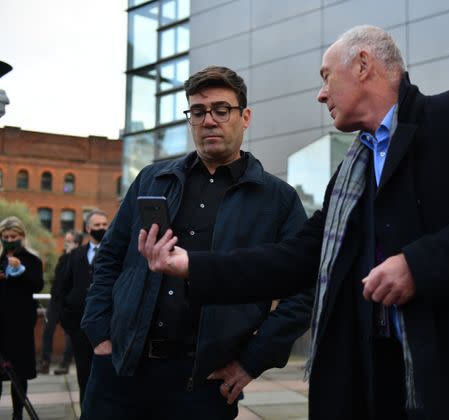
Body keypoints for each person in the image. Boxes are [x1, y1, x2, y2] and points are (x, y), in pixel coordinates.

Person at [140, 25, 449, 420]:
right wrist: (193, 267)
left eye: (328, 76)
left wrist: (418, 265)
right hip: (385, 388)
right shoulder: (350, 175)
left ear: (364, 65)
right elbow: (294, 259)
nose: (321, 93)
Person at [80, 65, 313, 420]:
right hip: (121, 371)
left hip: (203, 383)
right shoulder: (152, 180)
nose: (209, 121)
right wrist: (99, 332)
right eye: (198, 111)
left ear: (245, 116)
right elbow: (110, 257)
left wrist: (252, 361)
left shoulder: (277, 199)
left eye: (221, 110)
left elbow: (305, 289)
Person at [58, 210, 109, 404]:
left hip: (107, 326)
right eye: (97, 225)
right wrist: (66, 319)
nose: (101, 229)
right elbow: (62, 287)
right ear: (88, 229)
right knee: (83, 374)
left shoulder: (115, 251)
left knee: (105, 376)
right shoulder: (75, 255)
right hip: (79, 326)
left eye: (105, 224)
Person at [0, 216, 44, 420]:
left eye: (13, 236)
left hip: (20, 324)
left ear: (21, 237)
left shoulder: (32, 260)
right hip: (0, 324)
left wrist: (21, 271)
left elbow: (37, 285)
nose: (9, 239)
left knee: (19, 373)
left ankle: (17, 413)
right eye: (5, 236)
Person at [39, 230, 82, 375]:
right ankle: (45, 362)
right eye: (66, 241)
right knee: (47, 330)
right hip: (55, 300)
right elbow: (58, 277)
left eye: (69, 241)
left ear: (77, 243)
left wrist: (71, 255)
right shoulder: (63, 257)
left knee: (69, 333)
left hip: (68, 302)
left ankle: (64, 364)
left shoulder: (79, 258)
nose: (66, 243)